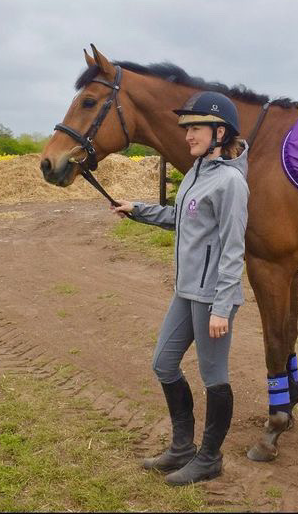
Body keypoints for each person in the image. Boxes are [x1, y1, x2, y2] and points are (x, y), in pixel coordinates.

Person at [111, 91, 249, 486]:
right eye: (187, 128)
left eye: (196, 128)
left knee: (213, 376)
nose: (188, 135)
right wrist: (138, 209)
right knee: (163, 363)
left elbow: (232, 247)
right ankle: (182, 447)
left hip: (212, 298)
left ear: (220, 131)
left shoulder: (230, 183)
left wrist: (223, 305)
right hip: (186, 290)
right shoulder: (195, 173)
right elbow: (182, 218)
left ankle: (209, 457)